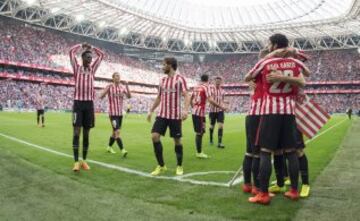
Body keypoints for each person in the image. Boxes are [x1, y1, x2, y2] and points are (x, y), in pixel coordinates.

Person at [245, 33, 309, 204]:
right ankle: (294, 190)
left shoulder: (266, 61)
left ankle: (263, 194)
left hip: (270, 112)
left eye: (269, 44)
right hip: (289, 112)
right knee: (291, 152)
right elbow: (306, 75)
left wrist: (272, 60)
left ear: (273, 45)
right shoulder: (295, 62)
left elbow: (247, 77)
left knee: (265, 151)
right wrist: (292, 56)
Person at [147, 57, 190, 176]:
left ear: (170, 65)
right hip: (162, 114)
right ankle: (161, 165)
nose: (162, 67)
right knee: (154, 136)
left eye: (164, 64)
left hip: (175, 116)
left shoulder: (180, 79)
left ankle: (179, 165)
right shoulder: (162, 80)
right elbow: (159, 97)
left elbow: (187, 95)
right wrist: (151, 110)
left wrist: (186, 110)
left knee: (177, 141)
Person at [69, 42, 104, 172]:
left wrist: (93, 48)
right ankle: (76, 162)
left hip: (89, 105)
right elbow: (71, 52)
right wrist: (81, 46)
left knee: (87, 133)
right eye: (88, 57)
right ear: (82, 58)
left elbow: (102, 55)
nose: (90, 59)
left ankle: (84, 161)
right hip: (78, 104)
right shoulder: (76, 69)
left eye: (91, 58)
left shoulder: (92, 69)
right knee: (76, 132)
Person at [191, 74, 227, 159]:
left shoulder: (196, 87)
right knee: (200, 132)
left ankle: (201, 150)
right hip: (200, 113)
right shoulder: (207, 87)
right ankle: (199, 152)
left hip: (197, 112)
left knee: (201, 132)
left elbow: (191, 97)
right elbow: (210, 100)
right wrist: (222, 107)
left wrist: (192, 106)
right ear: (208, 80)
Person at [100, 72, 131, 157]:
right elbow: (101, 96)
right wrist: (104, 93)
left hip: (120, 114)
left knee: (114, 133)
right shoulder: (110, 86)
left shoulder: (122, 87)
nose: (118, 77)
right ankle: (123, 150)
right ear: (113, 78)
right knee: (117, 132)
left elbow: (129, 96)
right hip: (113, 113)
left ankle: (109, 147)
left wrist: (127, 86)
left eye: (119, 76)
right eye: (116, 76)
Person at [208, 77, 227, 148]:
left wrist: (225, 105)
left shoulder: (222, 91)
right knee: (211, 127)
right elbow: (211, 100)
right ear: (214, 81)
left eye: (219, 81)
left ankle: (219, 143)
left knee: (220, 126)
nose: (218, 82)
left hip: (220, 111)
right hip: (212, 111)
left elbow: (222, 100)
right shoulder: (211, 90)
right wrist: (221, 106)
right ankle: (211, 139)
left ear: (221, 82)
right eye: (217, 80)